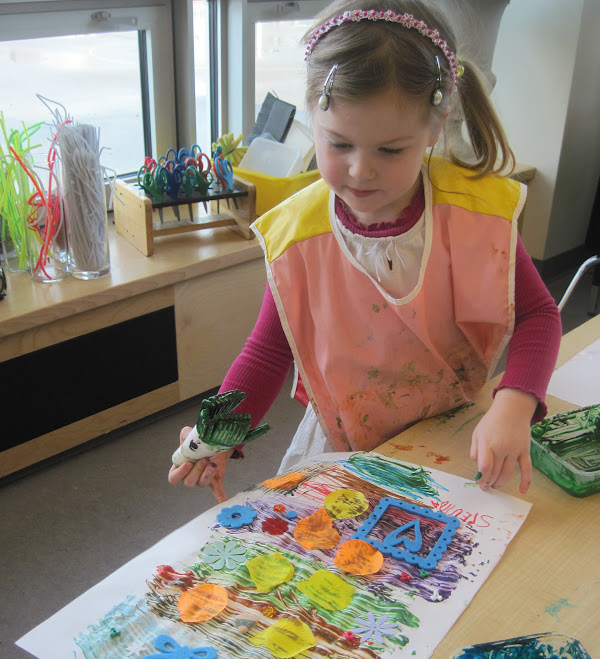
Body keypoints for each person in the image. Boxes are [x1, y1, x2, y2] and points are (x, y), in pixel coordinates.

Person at [169, 0, 561, 503]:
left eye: (390, 150)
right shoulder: (301, 235)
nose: (360, 171)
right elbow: (269, 349)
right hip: (344, 441)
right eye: (338, 144)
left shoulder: (472, 211)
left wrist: (514, 404)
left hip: (451, 431)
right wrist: (219, 430)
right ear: (313, 117)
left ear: (434, 127)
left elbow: (538, 315)